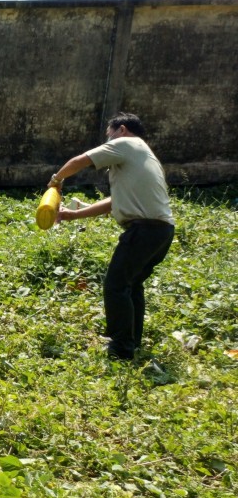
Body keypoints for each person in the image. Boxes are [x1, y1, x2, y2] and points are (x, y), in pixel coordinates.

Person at [48, 113, 176, 361]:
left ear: (122, 130)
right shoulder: (144, 156)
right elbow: (114, 202)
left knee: (115, 287)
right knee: (131, 285)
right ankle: (131, 342)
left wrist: (56, 180)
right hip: (161, 232)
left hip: (144, 231)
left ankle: (121, 350)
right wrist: (71, 216)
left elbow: (81, 160)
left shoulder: (127, 144)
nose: (108, 140)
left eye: (109, 135)